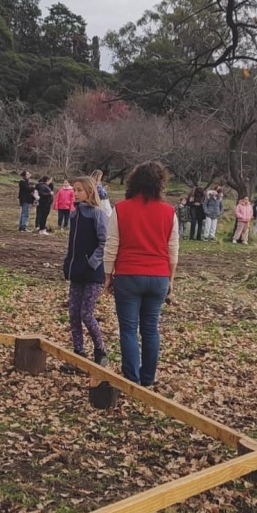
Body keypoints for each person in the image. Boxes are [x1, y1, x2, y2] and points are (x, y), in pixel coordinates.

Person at [104, 160, 178, 387]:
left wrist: (108, 275)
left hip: (128, 274)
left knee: (128, 329)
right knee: (150, 328)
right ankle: (148, 378)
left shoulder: (121, 209)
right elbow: (173, 250)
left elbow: (111, 245)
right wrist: (170, 279)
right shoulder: (169, 212)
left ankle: (131, 379)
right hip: (158, 276)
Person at [63, 176, 109, 366]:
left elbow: (104, 242)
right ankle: (78, 353)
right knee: (73, 313)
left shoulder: (98, 214)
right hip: (76, 271)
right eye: (74, 190)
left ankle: (100, 350)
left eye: (79, 190)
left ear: (89, 191)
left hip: (92, 273)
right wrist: (69, 262)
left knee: (86, 314)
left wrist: (92, 262)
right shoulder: (74, 214)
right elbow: (73, 243)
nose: (75, 193)